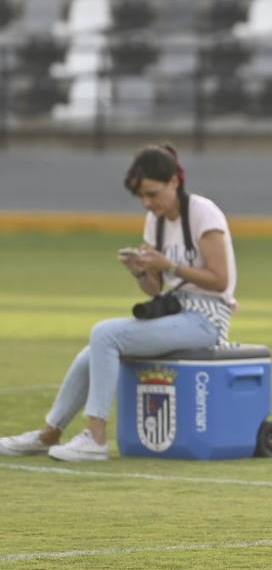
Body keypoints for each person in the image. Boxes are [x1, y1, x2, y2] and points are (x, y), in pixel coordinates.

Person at [0, 145, 238, 463]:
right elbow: (155, 290)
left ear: (174, 182)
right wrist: (140, 272)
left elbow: (220, 280)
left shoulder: (203, 212)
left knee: (105, 333)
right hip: (176, 310)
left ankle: (95, 439)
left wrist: (169, 265)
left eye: (153, 194)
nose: (147, 203)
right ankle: (48, 434)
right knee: (91, 353)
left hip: (208, 319)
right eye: (141, 197)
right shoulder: (155, 221)